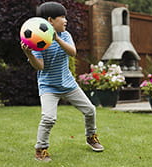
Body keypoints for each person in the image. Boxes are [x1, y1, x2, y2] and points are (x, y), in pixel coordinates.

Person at [21, 2, 104, 162]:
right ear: (50, 20)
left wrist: (57, 38)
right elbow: (40, 67)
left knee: (90, 110)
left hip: (68, 84)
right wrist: (29, 54)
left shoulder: (65, 35)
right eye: (62, 17)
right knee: (48, 118)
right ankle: (41, 149)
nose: (66, 20)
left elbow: (72, 53)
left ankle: (91, 137)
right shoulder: (38, 40)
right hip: (48, 87)